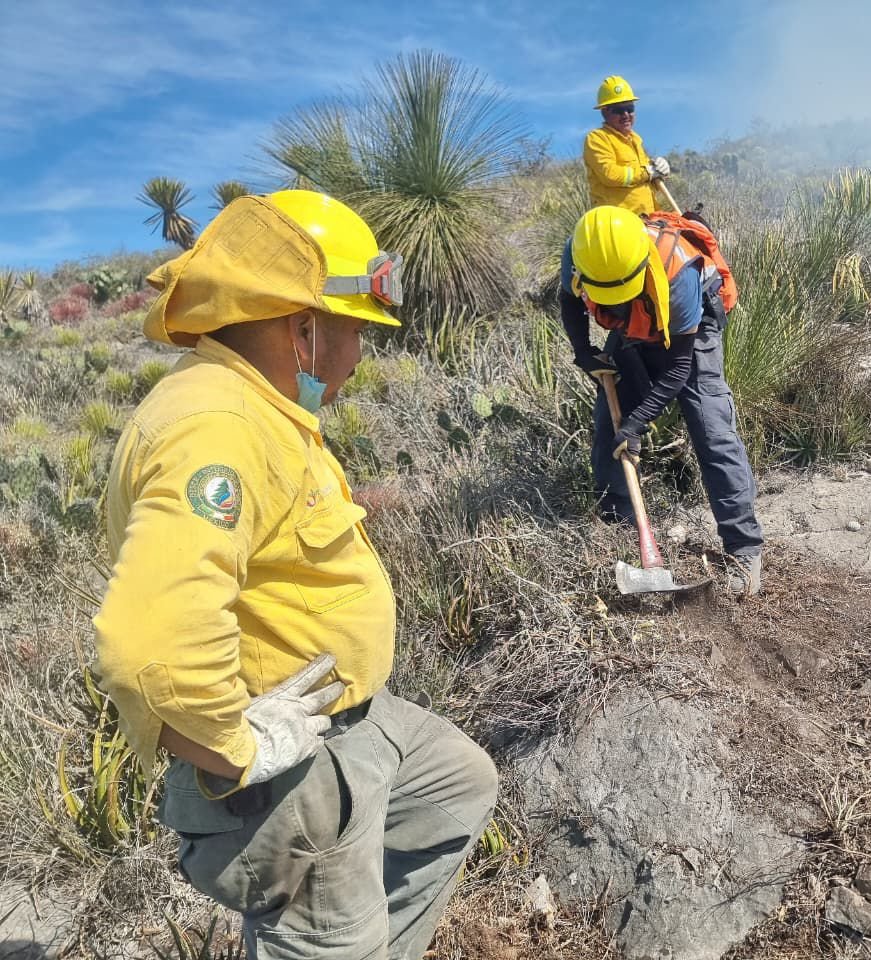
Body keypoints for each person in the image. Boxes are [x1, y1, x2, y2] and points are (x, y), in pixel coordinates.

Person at [92, 190, 498, 959]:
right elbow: (147, 643)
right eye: (354, 333)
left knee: (456, 788)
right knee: (328, 936)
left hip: (345, 722)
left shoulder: (263, 409)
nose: (358, 357)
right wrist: (237, 747)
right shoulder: (218, 426)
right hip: (286, 773)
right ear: (302, 328)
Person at [560, 205, 765, 594]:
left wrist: (638, 423)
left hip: (689, 332)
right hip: (631, 329)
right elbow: (569, 300)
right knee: (609, 428)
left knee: (711, 429)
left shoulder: (678, 271)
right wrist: (582, 350)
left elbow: (677, 371)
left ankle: (743, 547)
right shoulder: (581, 252)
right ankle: (620, 531)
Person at [582, 74, 672, 215]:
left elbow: (645, 180)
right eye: (618, 110)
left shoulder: (635, 140)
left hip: (648, 217)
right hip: (617, 222)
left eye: (629, 108)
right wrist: (647, 172)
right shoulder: (597, 139)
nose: (625, 115)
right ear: (604, 112)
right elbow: (610, 175)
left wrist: (660, 171)